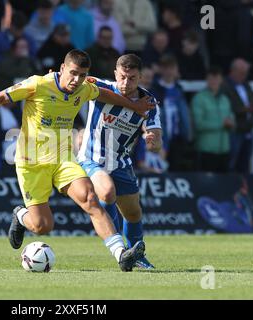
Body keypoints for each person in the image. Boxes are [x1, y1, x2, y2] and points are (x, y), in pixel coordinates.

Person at [0, 49, 156, 271]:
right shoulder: (38, 84)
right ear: (62, 69)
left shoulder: (84, 88)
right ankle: (21, 215)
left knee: (90, 199)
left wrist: (134, 106)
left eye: (82, 75)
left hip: (63, 159)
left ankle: (121, 255)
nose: (77, 80)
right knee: (42, 226)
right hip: (32, 163)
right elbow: (0, 97)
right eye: (73, 73)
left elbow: (105, 94)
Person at [77, 54, 161, 269]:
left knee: (133, 212)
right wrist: (54, 80)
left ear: (140, 77)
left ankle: (137, 254)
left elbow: (157, 140)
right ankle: (119, 248)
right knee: (106, 192)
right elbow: (72, 79)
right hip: (91, 158)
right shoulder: (100, 86)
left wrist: (152, 140)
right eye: (122, 77)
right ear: (115, 74)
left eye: (132, 78)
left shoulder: (149, 103)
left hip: (121, 163)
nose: (126, 83)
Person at [191, 66, 234, 173]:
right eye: (211, 78)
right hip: (206, 150)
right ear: (207, 79)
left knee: (223, 184)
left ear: (221, 80)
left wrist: (231, 124)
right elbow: (198, 124)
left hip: (224, 150)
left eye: (216, 78)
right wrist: (222, 124)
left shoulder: (225, 99)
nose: (214, 81)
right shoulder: (199, 98)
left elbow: (232, 120)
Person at [221, 58, 253, 173]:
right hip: (235, 130)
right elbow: (227, 107)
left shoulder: (246, 84)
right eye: (242, 73)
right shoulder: (225, 85)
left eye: (246, 73)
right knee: (232, 163)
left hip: (248, 129)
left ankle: (245, 188)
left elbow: (252, 100)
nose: (244, 76)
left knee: (245, 164)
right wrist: (244, 109)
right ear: (233, 71)